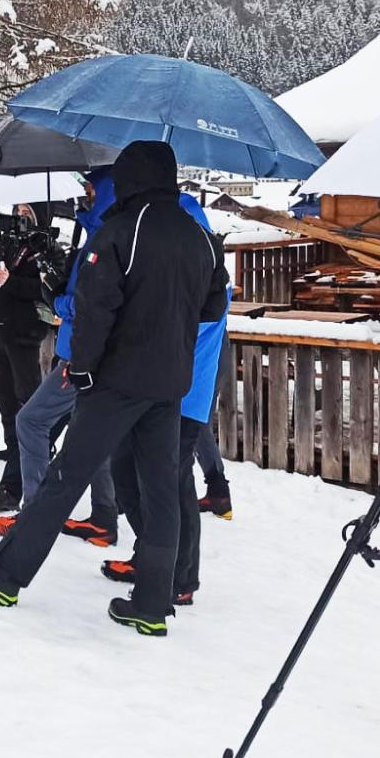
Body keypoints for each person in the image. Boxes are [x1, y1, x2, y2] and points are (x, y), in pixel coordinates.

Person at [0, 140, 226, 635]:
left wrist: (82, 368)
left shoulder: (120, 231)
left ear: (130, 178)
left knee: (64, 477)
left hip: (117, 380)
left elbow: (97, 311)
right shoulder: (200, 234)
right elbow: (211, 307)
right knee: (161, 489)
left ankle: (6, 573)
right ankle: (151, 602)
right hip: (170, 382)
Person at [102, 217, 231, 606]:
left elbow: (175, 328)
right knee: (126, 470)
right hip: (156, 389)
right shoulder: (183, 270)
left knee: (173, 486)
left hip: (185, 398)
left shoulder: (206, 277)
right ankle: (153, 556)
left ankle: (180, 577)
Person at [0, 169, 119, 544]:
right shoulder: (99, 234)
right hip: (88, 353)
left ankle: (33, 515)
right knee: (92, 436)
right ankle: (104, 517)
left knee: (31, 421)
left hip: (81, 355)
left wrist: (58, 297)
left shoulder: (105, 240)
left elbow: (90, 303)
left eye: (91, 189)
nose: (84, 194)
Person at [0, 204, 55, 514]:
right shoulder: (9, 240)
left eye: (27, 211)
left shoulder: (45, 247)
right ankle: (12, 445)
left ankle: (29, 456)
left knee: (27, 398)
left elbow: (46, 287)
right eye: (18, 209)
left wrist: (11, 282)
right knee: (3, 395)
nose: (21, 215)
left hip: (23, 332)